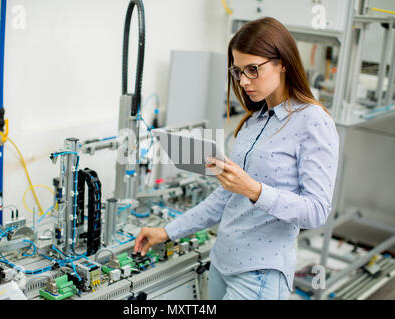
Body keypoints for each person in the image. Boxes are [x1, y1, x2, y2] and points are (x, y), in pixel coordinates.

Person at [133, 17, 339, 300]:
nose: (243, 81)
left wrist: (253, 189)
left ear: (283, 63)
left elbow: (316, 210)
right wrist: (167, 231)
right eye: (238, 71)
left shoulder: (312, 121)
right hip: (222, 264)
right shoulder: (254, 121)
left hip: (260, 275)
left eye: (252, 69)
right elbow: (225, 198)